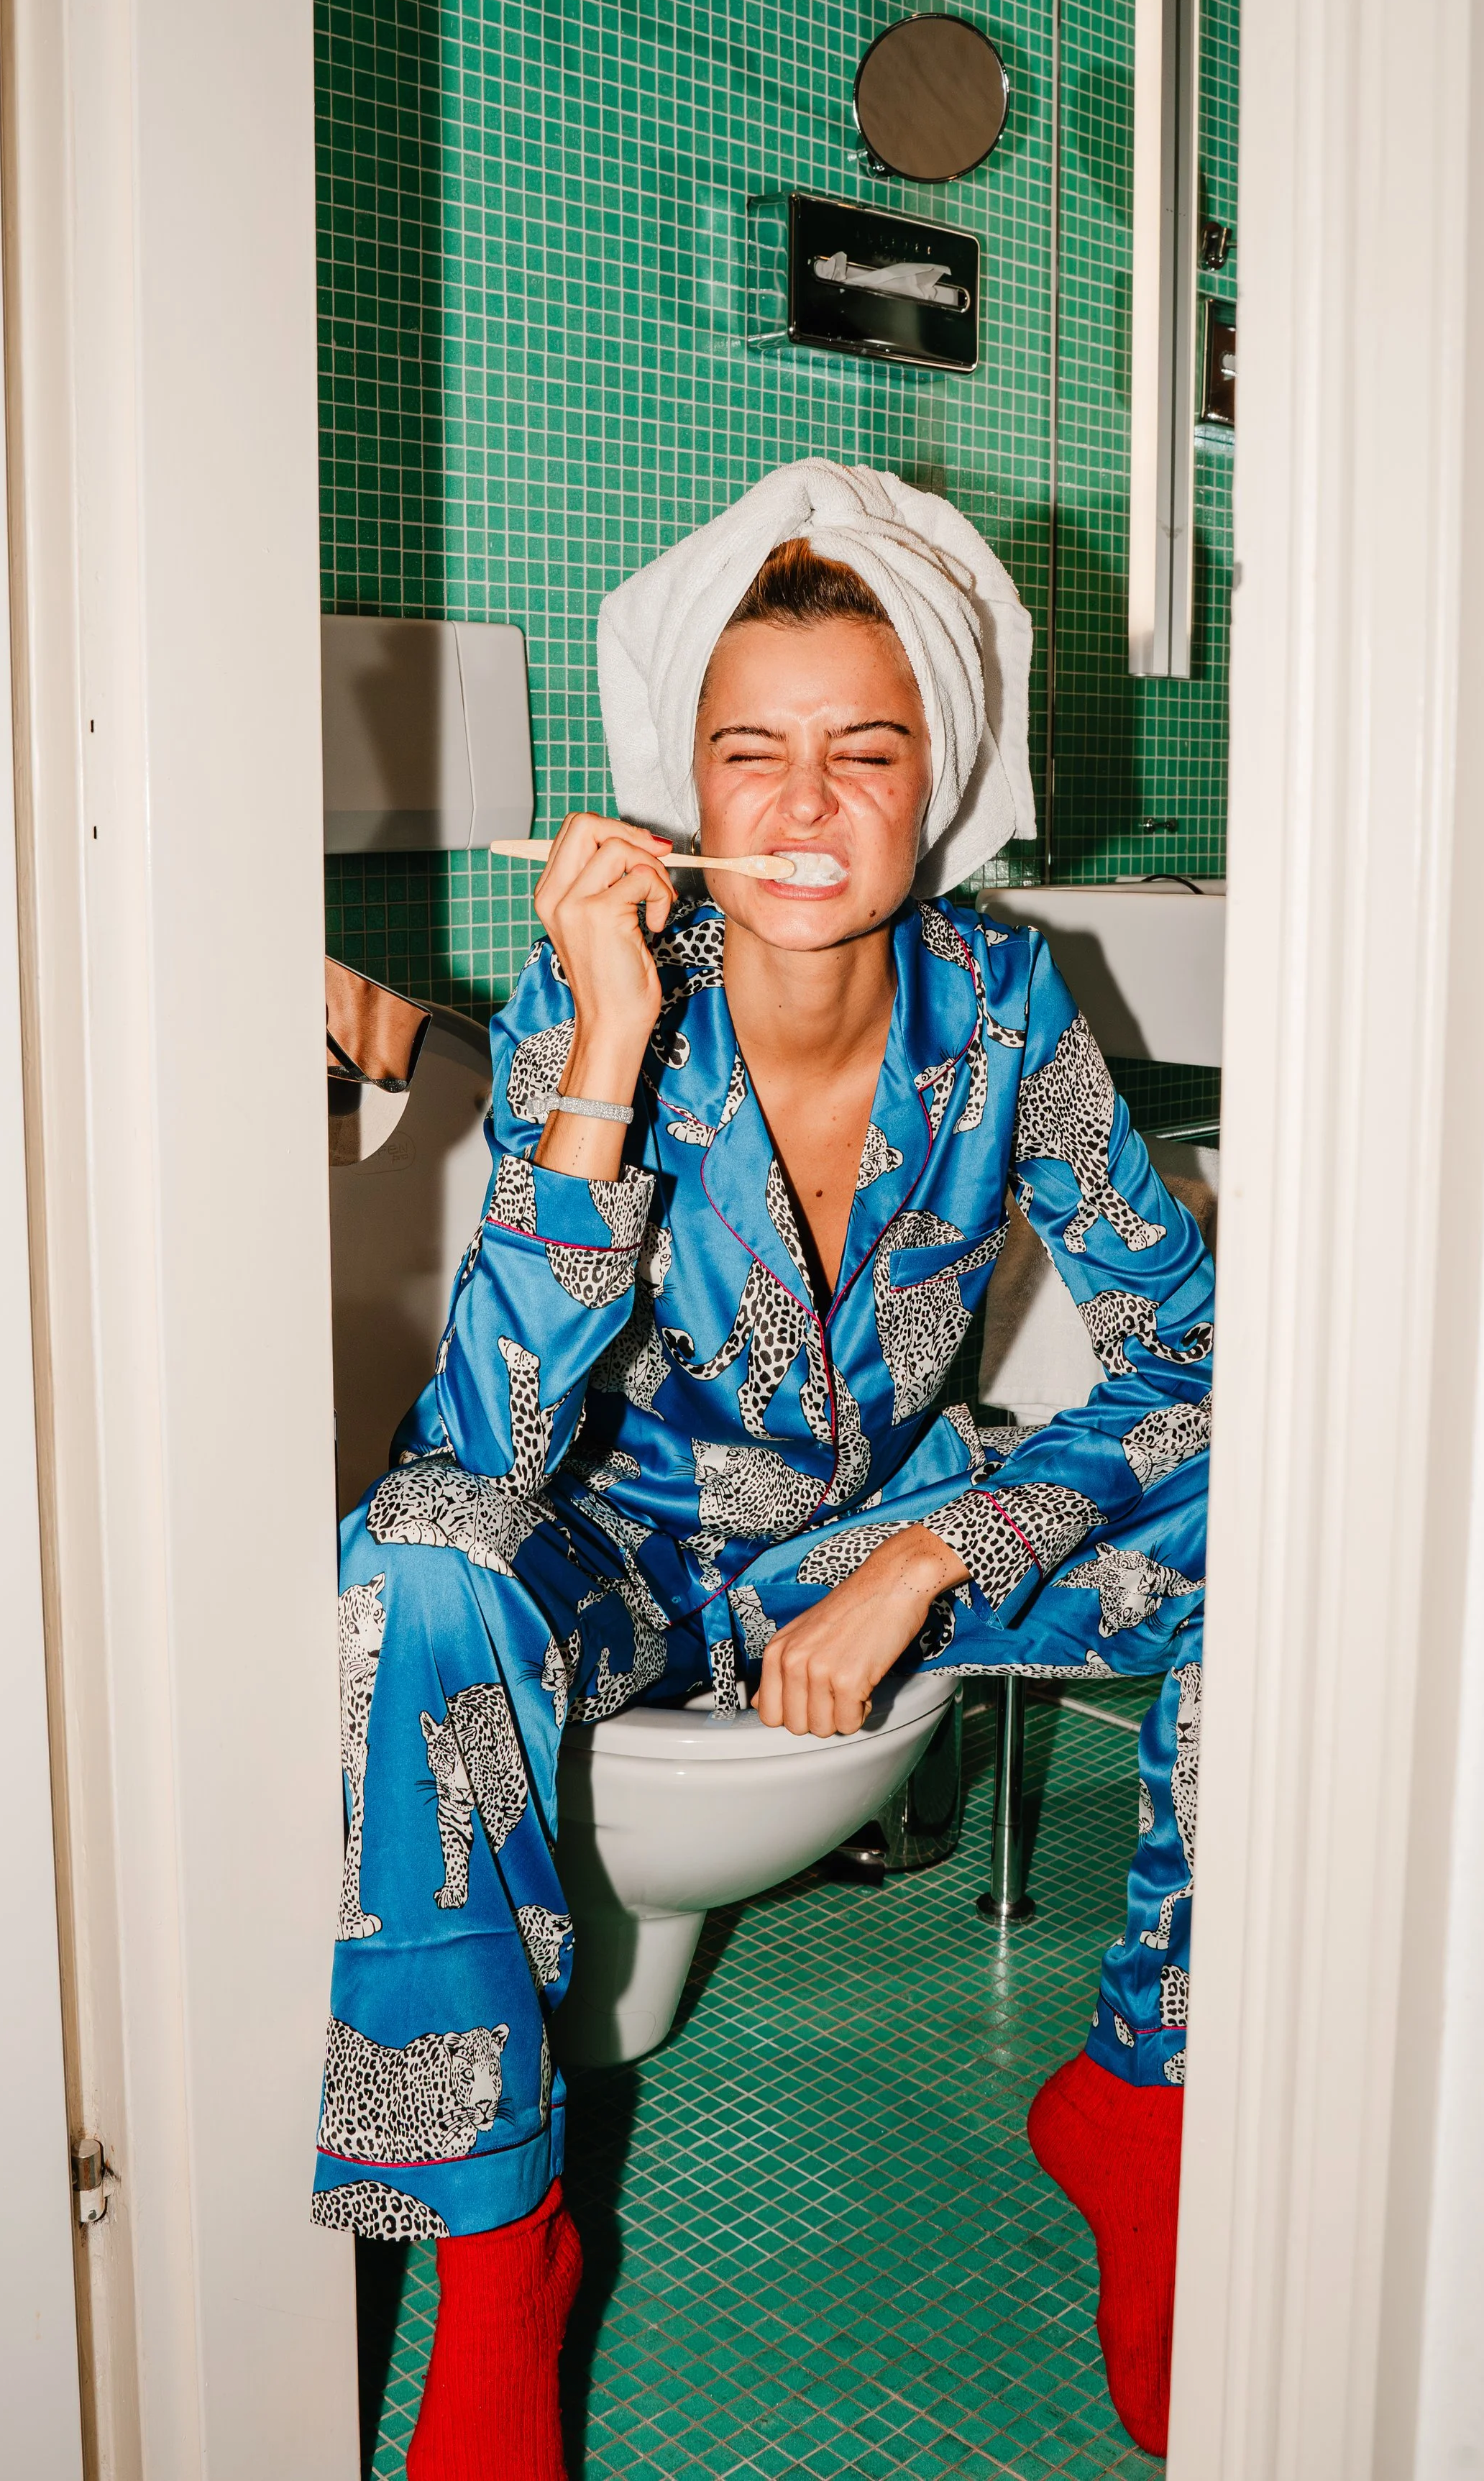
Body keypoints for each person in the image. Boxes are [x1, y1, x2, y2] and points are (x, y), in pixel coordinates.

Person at [313, 462, 1212, 2475]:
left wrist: (933, 1556)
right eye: (752, 753)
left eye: (860, 751)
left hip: (884, 1536)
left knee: (1290, 1511)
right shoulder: (596, 997)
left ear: (938, 779)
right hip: (623, 1551)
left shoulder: (1000, 1005)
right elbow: (490, 1449)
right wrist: (612, 1045)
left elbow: (1187, 1352)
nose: (802, 807)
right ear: (683, 781)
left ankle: (1144, 2096)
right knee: (415, 1557)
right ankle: (497, 2252)